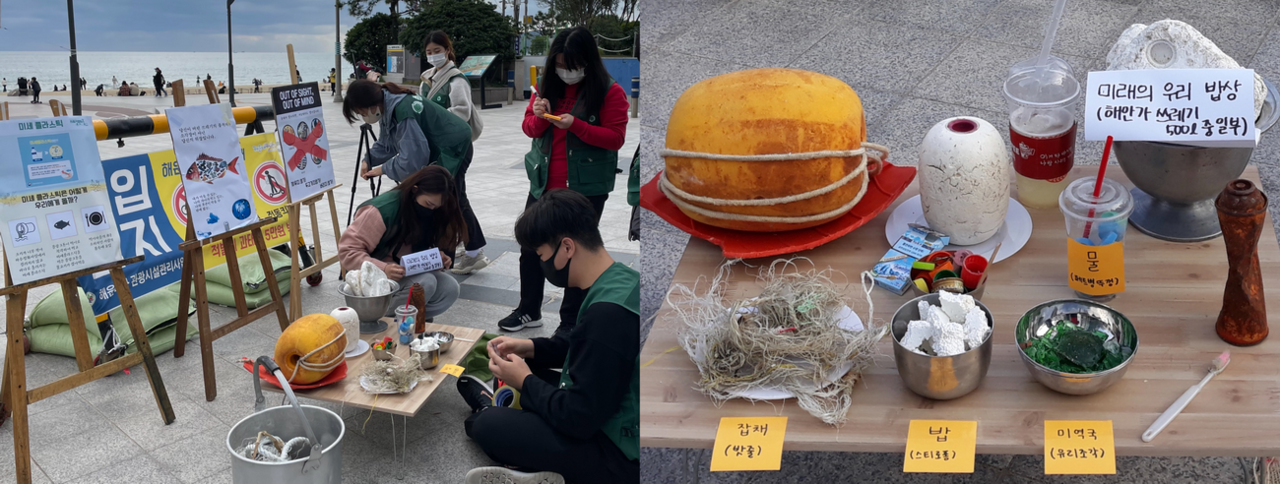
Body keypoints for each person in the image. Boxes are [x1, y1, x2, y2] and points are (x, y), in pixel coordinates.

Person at [458, 189, 639, 484]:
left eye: (541, 254)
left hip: (617, 455)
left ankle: (489, 409)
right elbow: (585, 347)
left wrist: (525, 381)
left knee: (487, 424)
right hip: (610, 408)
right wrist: (529, 347)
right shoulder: (620, 279)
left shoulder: (607, 315)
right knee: (528, 376)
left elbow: (579, 418)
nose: (542, 265)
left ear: (567, 247)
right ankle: (502, 403)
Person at [503, 26, 630, 332]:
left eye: (572, 67)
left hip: (585, 188)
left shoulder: (609, 91)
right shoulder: (548, 87)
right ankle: (528, 310)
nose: (565, 72)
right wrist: (536, 114)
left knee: (577, 254)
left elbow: (616, 138)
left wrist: (576, 125)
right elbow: (531, 130)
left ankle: (570, 323)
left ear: (587, 62)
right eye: (560, 65)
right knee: (530, 246)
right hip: (544, 183)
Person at [338, 165, 462, 316]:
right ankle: (379, 317)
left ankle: (413, 320)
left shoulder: (425, 211)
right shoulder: (380, 211)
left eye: (436, 207)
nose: (431, 210)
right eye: (429, 204)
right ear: (415, 189)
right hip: (372, 277)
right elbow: (347, 251)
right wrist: (383, 269)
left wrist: (433, 259)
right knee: (424, 283)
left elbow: (410, 249)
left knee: (450, 287)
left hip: (401, 271)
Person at [419, 29, 490, 275]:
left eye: (437, 51)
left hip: (456, 149)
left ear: (447, 50)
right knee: (454, 197)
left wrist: (429, 117)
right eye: (429, 52)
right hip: (441, 148)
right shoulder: (428, 77)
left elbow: (461, 112)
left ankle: (474, 252)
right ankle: (470, 247)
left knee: (456, 198)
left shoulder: (456, 79)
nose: (433, 56)